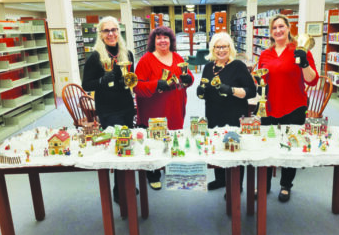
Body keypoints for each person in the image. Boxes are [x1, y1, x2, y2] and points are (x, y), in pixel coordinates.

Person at [257, 14, 319, 202]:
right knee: (266, 146)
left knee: (291, 145)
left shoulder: (300, 50)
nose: (278, 31)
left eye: (281, 26)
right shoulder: (265, 54)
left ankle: (286, 185)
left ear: (289, 27)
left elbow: (313, 80)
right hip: (269, 106)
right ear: (270, 32)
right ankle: (263, 185)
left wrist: (305, 63)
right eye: (274, 28)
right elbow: (261, 78)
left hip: (294, 105)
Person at [82, 16, 137, 203]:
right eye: (107, 30)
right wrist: (103, 81)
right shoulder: (96, 57)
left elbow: (132, 77)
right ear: (101, 34)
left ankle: (128, 183)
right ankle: (118, 191)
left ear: (118, 32)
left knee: (127, 143)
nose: (111, 34)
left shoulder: (127, 53)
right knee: (117, 146)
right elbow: (86, 84)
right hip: (108, 108)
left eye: (114, 30)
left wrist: (126, 80)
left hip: (126, 106)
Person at [197, 32, 256, 196]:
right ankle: (221, 179)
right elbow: (205, 89)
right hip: (214, 113)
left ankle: (237, 185)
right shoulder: (209, 67)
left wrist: (231, 90)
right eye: (218, 47)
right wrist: (201, 92)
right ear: (212, 49)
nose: (221, 50)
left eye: (225, 46)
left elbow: (251, 91)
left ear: (230, 48)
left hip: (234, 114)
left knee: (234, 147)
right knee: (216, 145)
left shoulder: (238, 66)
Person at [134, 26, 194, 190]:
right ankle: (153, 173)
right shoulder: (146, 60)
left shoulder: (176, 56)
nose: (162, 40)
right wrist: (155, 84)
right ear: (153, 41)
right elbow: (137, 87)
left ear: (171, 41)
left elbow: (186, 76)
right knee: (154, 141)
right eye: (158, 37)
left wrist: (189, 78)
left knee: (172, 137)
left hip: (175, 107)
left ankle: (169, 165)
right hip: (154, 109)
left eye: (165, 37)